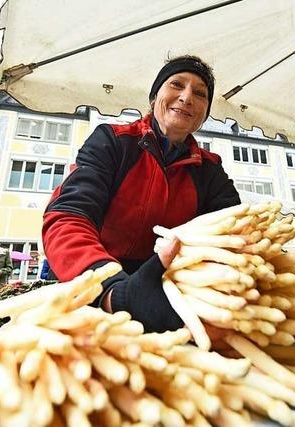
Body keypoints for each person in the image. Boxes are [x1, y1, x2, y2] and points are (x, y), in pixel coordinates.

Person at [42, 55, 240, 334]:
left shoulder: (210, 170)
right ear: (154, 96)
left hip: (172, 298)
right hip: (95, 288)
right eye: (176, 84)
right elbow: (67, 218)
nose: (186, 97)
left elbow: (235, 237)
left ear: (205, 112)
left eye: (199, 93)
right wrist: (110, 288)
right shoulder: (113, 141)